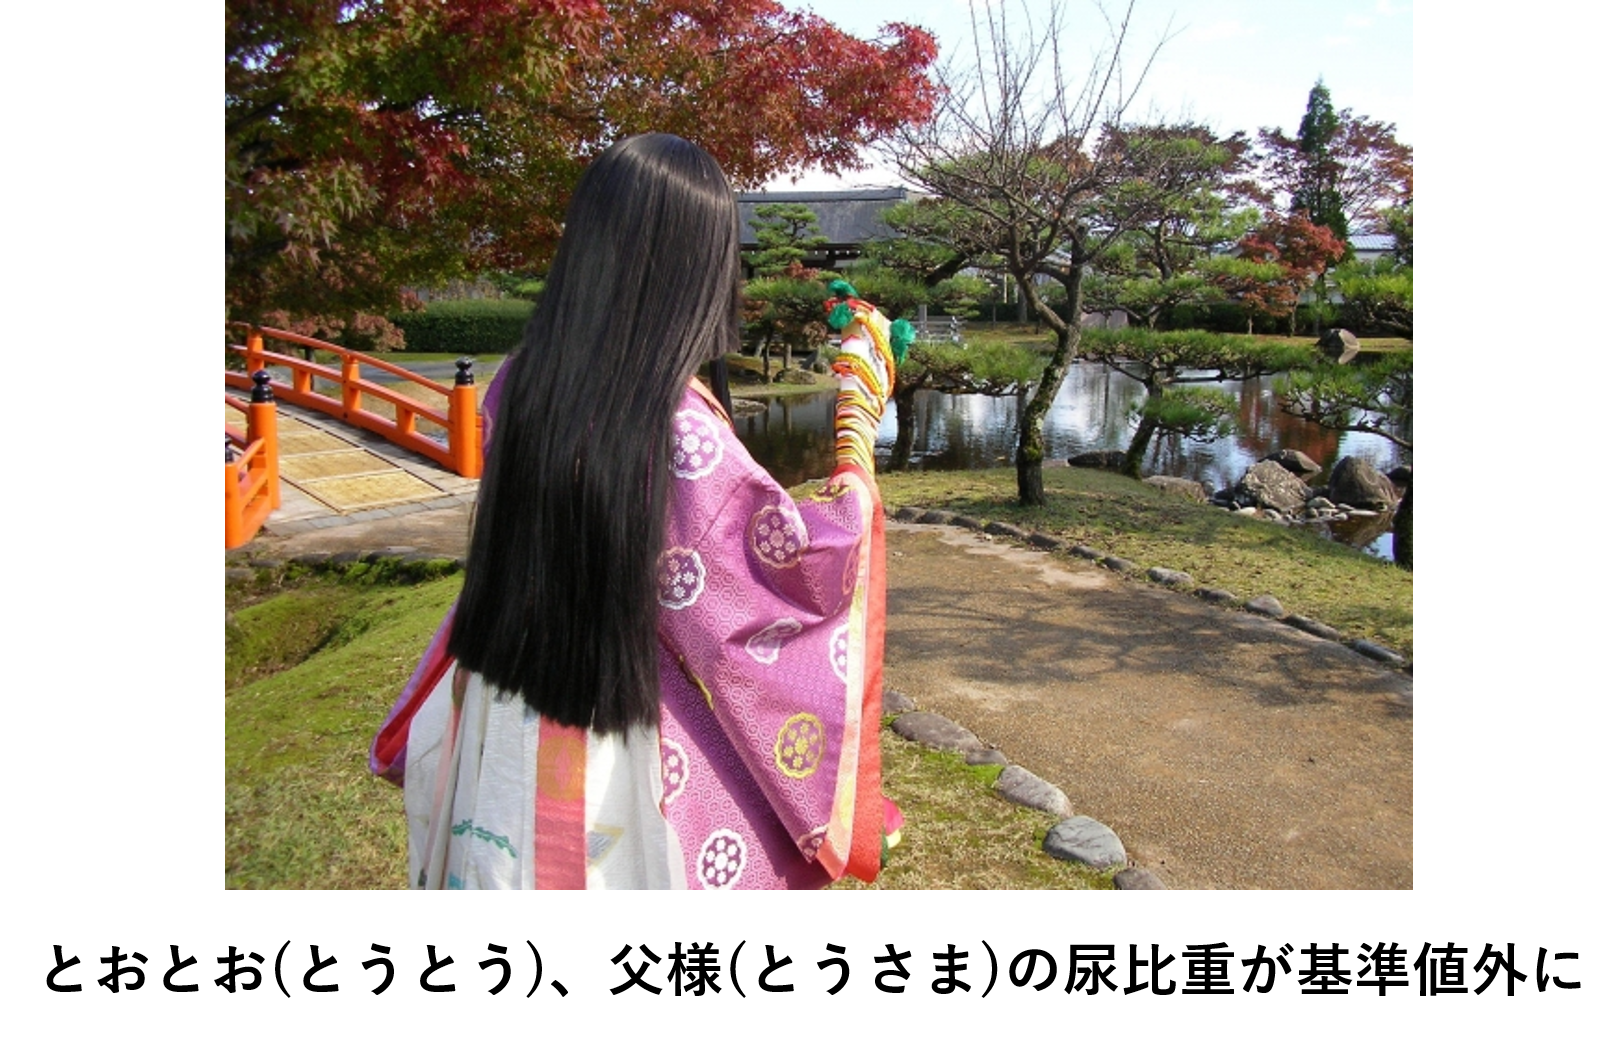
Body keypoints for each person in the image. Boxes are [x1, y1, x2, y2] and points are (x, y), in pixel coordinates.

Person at [370, 133, 911, 889]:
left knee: (496, 856)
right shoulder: (678, 422)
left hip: (506, 695)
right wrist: (855, 433)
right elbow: (774, 586)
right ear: (697, 269)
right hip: (613, 729)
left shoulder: (519, 381)